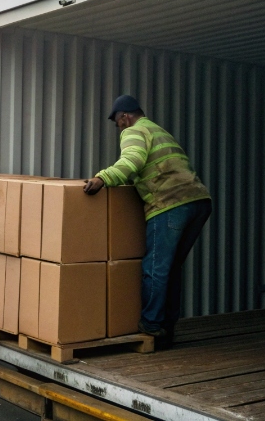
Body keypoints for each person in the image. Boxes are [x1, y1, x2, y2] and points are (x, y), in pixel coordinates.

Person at [83, 95, 212, 347]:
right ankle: (166, 326)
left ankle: (151, 325)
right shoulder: (158, 130)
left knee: (155, 268)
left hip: (170, 204)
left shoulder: (135, 131)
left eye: (118, 123)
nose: (119, 129)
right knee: (171, 267)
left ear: (125, 117)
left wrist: (102, 178)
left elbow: (132, 160)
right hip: (198, 202)